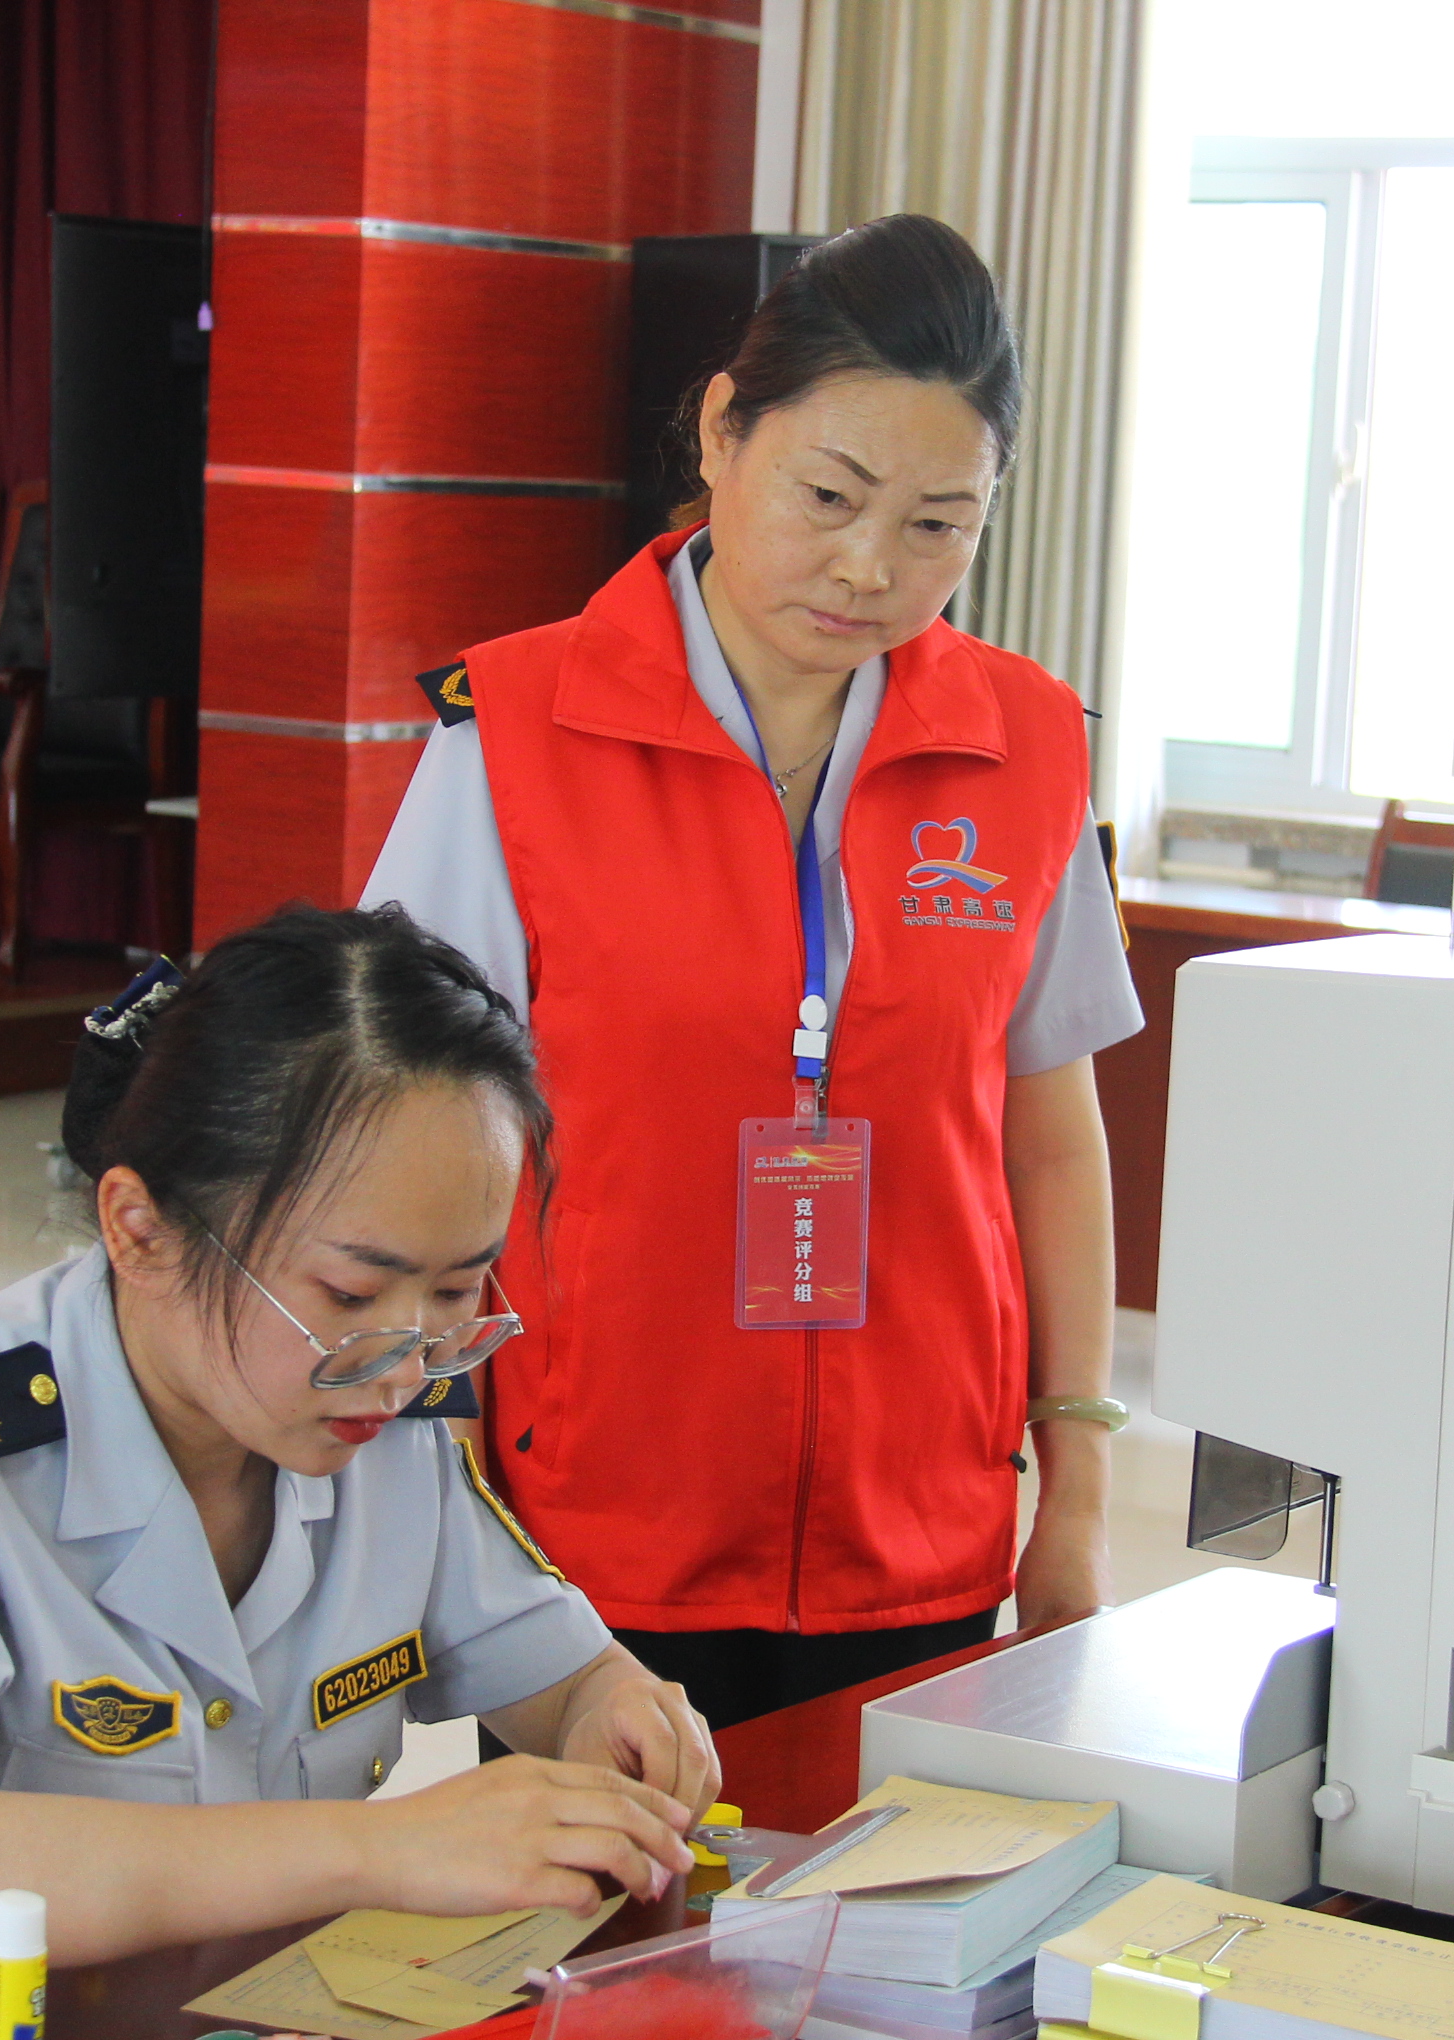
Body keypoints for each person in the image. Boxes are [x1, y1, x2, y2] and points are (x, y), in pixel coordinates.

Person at [360, 213, 1141, 1729]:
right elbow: (400, 1135)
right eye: (830, 496)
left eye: (938, 525)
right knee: (608, 1942)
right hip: (592, 1520)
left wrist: (1084, 1482)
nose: (869, 568)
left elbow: (1050, 1139)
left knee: (890, 1938)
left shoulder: (1029, 750)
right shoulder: (511, 733)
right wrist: (425, 1454)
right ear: (724, 429)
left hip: (917, 1519)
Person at [0, 905, 718, 2040]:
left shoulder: (382, 1417)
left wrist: (611, 1716)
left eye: (457, 1292)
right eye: (349, 1295)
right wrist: (381, 1850)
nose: (406, 1360)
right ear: (140, 1230)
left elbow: (557, 1674)